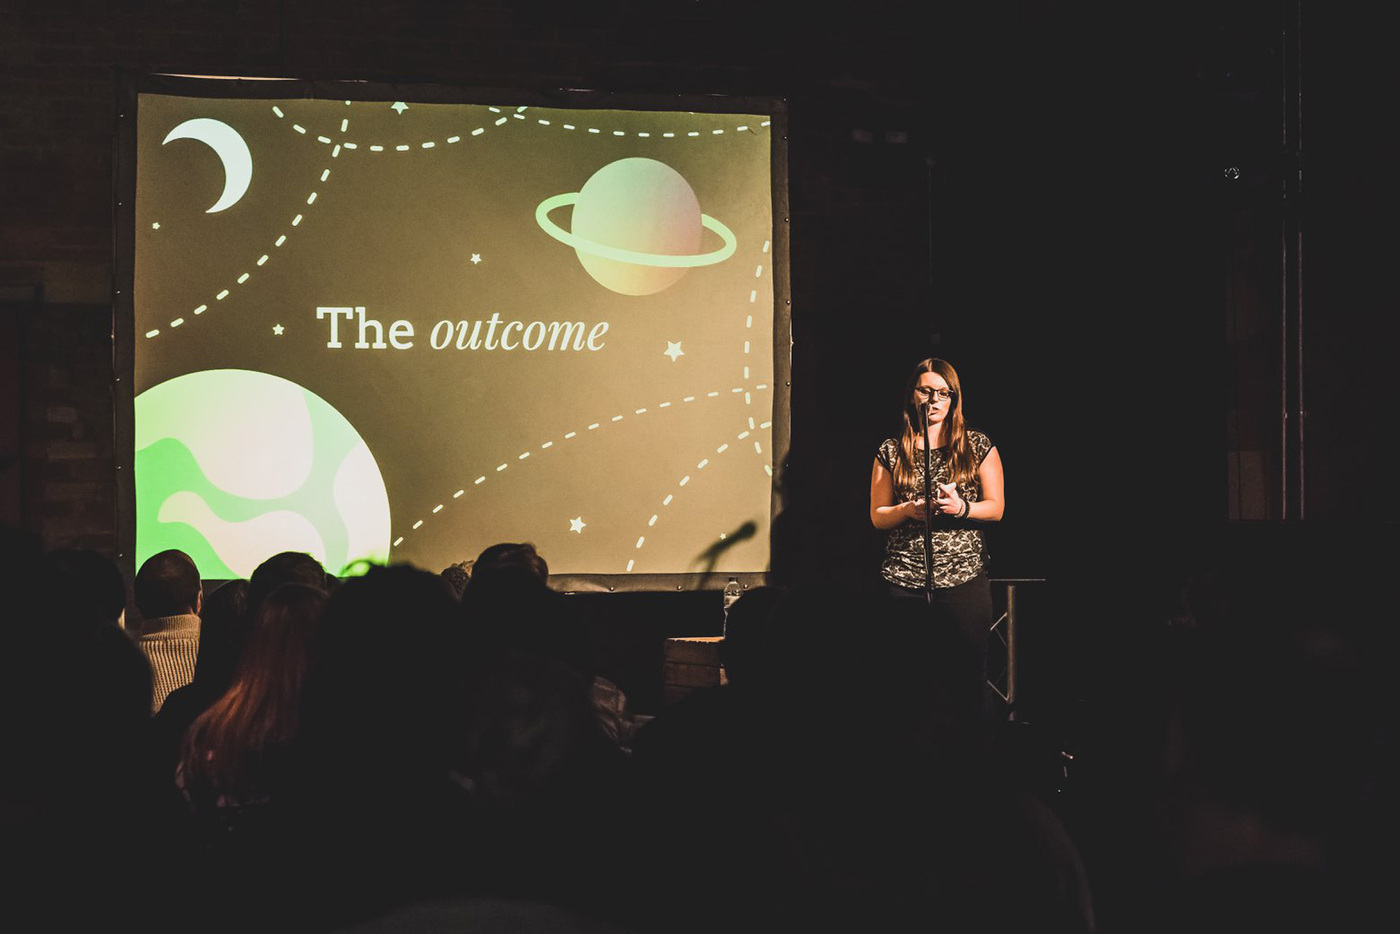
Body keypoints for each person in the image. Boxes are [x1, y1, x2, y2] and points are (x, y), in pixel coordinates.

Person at [869, 357, 1005, 702]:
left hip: (962, 578)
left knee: (966, 679)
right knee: (904, 681)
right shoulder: (891, 449)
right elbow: (878, 515)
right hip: (904, 579)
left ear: (954, 399)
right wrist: (908, 509)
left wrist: (961, 507)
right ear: (912, 395)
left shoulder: (976, 445)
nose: (934, 400)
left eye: (943, 393)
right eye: (926, 391)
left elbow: (996, 507)